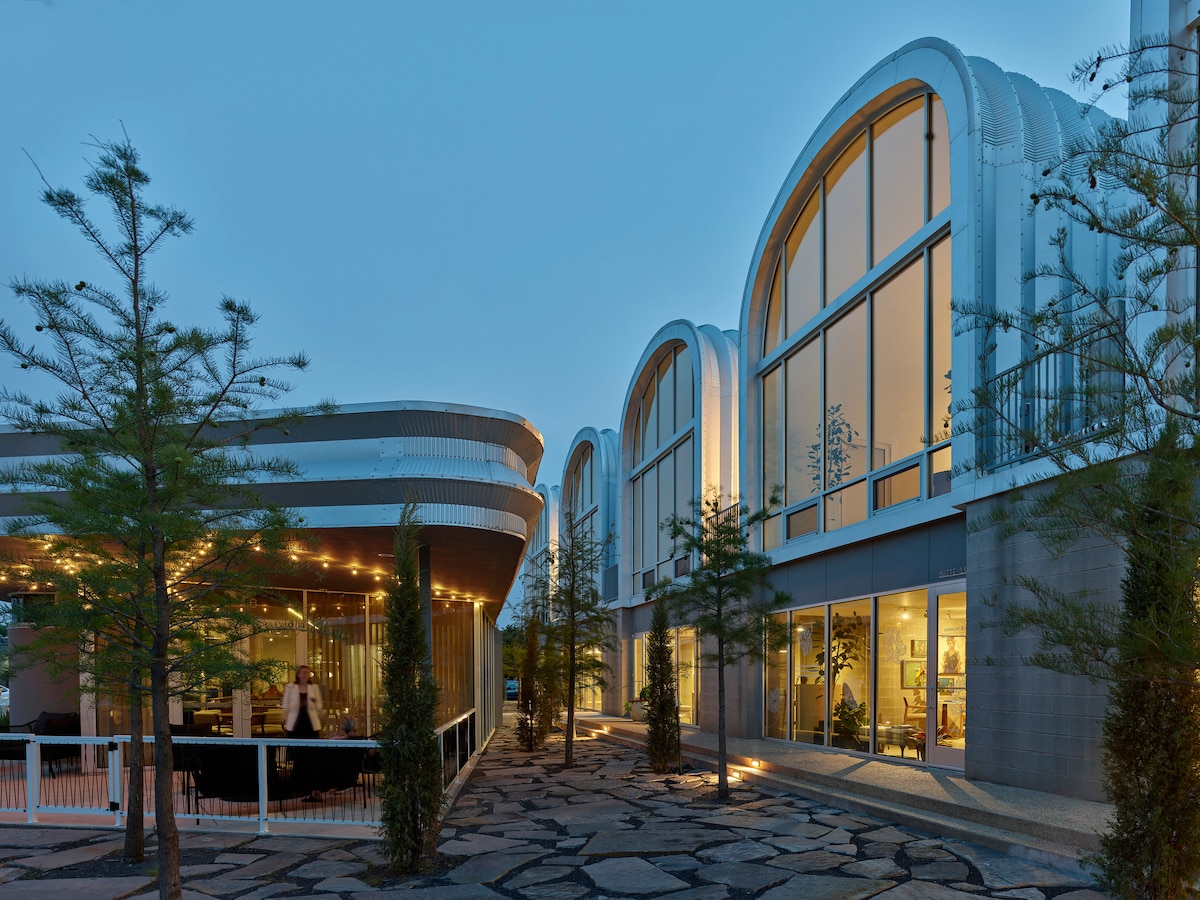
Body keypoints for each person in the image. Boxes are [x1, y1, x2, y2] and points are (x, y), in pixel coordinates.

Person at [282, 665, 325, 800]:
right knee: (298, 756)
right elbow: (286, 706)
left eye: (308, 672)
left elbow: (319, 706)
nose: (306, 675)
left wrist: (322, 717)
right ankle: (299, 787)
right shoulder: (290, 687)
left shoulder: (314, 688)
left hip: (311, 725)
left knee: (312, 757)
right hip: (295, 725)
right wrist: (284, 720)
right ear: (298, 674)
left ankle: (314, 789)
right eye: (303, 672)